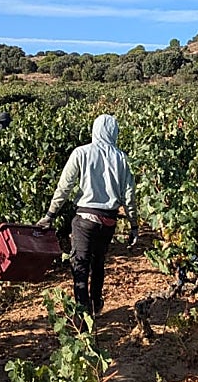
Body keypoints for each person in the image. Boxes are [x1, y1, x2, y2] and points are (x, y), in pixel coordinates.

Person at [37, 113, 137, 316]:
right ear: (114, 133)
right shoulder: (121, 158)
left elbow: (64, 187)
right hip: (108, 221)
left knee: (80, 266)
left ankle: (82, 315)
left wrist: (50, 214)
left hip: (85, 220)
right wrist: (134, 225)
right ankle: (96, 304)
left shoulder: (81, 153)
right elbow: (129, 195)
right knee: (98, 262)